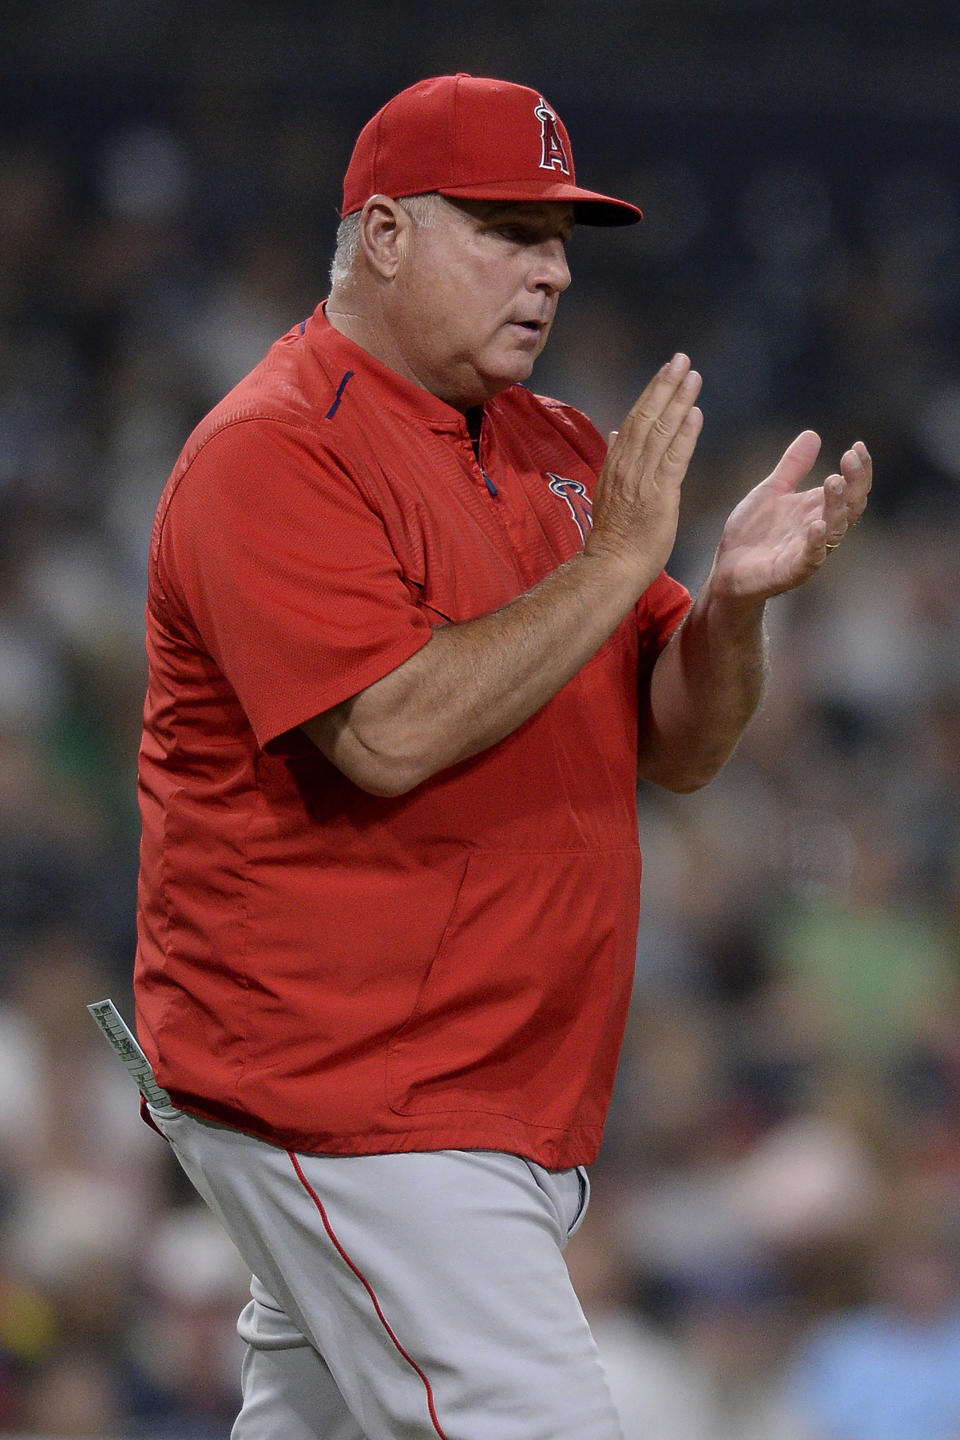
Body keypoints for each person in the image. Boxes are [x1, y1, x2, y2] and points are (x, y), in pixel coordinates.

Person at [134, 73, 871, 1440]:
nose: (547, 275)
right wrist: (616, 564)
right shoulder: (271, 450)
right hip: (359, 1091)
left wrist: (730, 605)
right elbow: (389, 735)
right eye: (506, 232)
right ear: (386, 234)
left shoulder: (557, 449)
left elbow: (683, 745)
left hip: (484, 1089)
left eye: (557, 245)